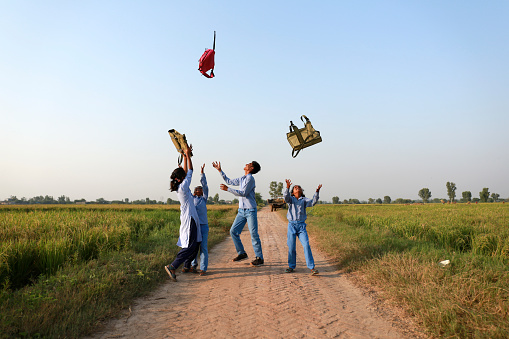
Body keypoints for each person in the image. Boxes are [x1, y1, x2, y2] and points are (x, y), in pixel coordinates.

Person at [212, 160, 264, 266]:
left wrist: (228, 190)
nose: (246, 164)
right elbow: (229, 181)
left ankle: (259, 258)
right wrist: (220, 170)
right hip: (241, 211)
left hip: (250, 210)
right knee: (233, 231)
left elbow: (243, 193)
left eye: (249, 164)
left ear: (252, 168)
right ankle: (242, 253)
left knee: (253, 234)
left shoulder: (250, 179)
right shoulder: (242, 178)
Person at [164, 146, 202, 282]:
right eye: (183, 176)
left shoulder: (181, 185)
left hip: (191, 218)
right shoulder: (183, 187)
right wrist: (188, 156)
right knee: (191, 246)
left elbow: (185, 171)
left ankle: (187, 266)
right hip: (189, 219)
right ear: (180, 179)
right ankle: (173, 265)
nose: (185, 176)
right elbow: (190, 171)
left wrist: (186, 156)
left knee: (196, 244)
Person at [283, 179, 322, 275]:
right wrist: (287, 187)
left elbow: (313, 202)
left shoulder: (304, 200)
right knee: (291, 247)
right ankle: (291, 266)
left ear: (301, 191)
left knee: (306, 245)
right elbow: (285, 197)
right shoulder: (290, 199)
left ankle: (312, 267)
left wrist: (317, 192)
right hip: (291, 225)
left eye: (298, 187)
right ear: (293, 192)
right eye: (295, 188)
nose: (297, 188)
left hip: (301, 226)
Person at [189, 163, 209, 276]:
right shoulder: (192, 199)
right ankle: (193, 266)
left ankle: (203, 268)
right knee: (194, 247)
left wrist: (202, 173)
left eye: (201, 189)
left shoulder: (204, 199)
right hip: (195, 226)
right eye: (198, 189)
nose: (200, 189)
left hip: (204, 226)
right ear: (194, 192)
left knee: (203, 248)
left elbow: (205, 186)